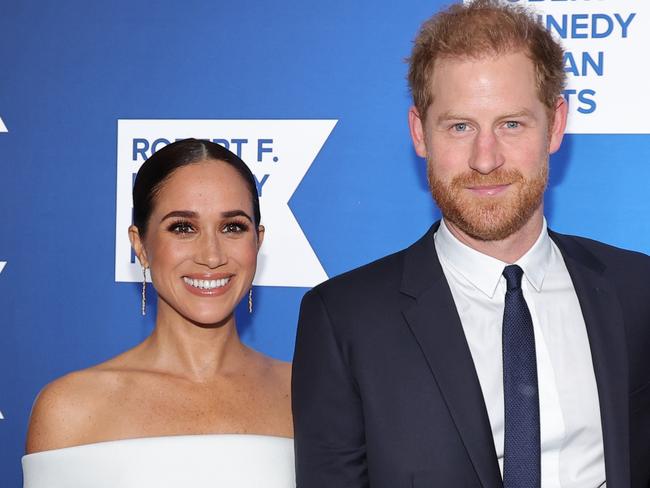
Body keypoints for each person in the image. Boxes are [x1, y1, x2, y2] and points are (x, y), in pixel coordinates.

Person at [292, 1, 650, 487]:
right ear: (420, 133)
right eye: (460, 126)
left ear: (556, 124)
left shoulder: (637, 291)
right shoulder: (344, 320)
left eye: (511, 124)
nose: (485, 159)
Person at [23, 139, 295, 487]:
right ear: (140, 245)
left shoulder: (309, 393)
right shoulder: (70, 409)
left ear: (257, 241)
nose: (211, 256)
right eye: (183, 227)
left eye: (232, 227)